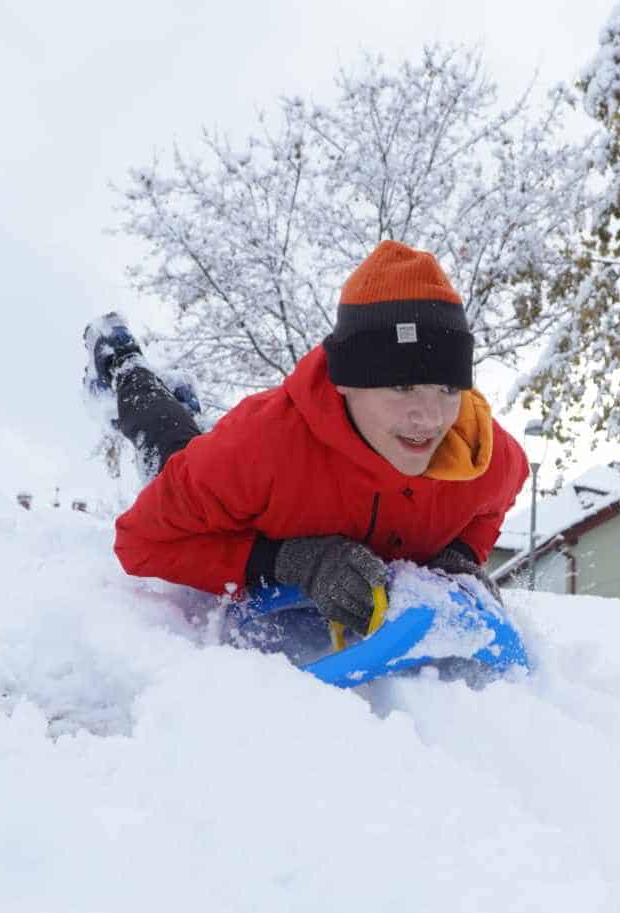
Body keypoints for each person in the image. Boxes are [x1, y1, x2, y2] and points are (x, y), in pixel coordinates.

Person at [93, 240, 528, 635]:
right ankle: (125, 366)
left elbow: (487, 511)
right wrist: (286, 562)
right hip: (229, 492)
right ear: (346, 381)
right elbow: (141, 543)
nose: (431, 418)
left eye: (448, 389)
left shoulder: (484, 454)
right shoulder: (256, 448)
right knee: (171, 442)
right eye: (402, 387)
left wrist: (458, 555)